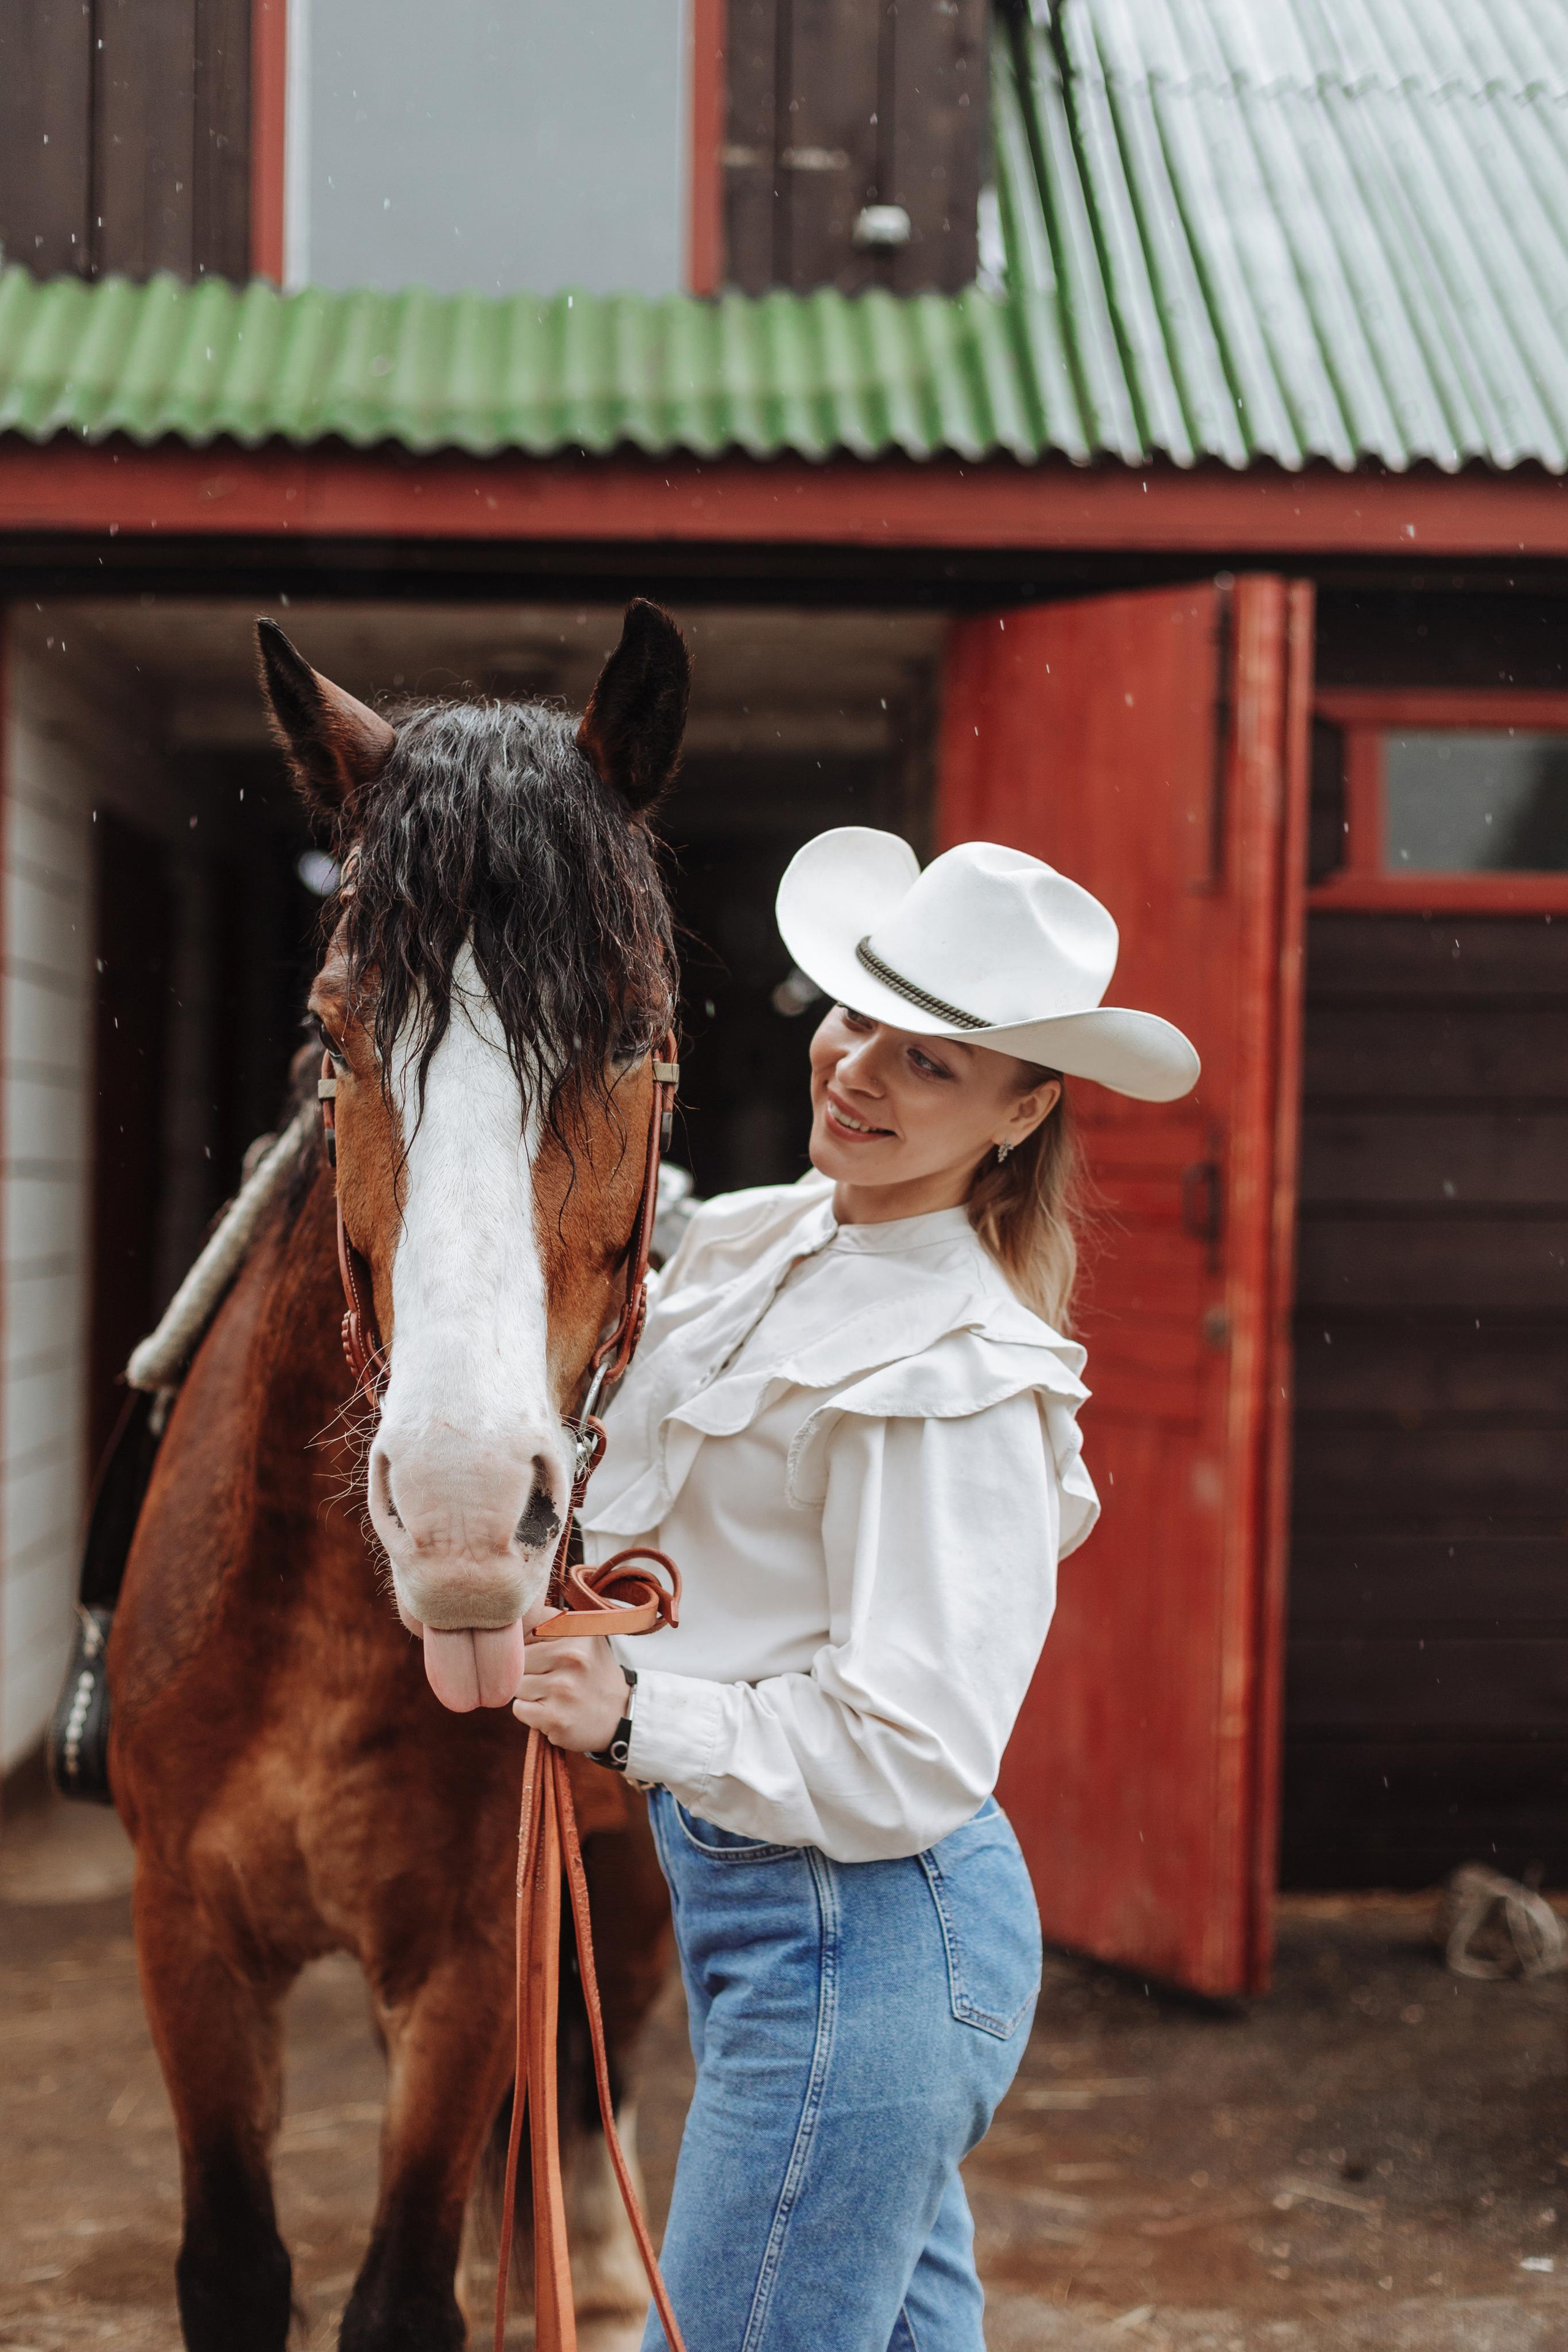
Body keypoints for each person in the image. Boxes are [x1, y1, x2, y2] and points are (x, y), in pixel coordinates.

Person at [511, 827, 1200, 2352]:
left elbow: (911, 1752)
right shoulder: (754, 1237)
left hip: (862, 1932)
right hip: (767, 1914)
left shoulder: (954, 1376)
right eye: (857, 1016)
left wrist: (638, 1716)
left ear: (1022, 1113)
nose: (860, 1072)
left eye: (934, 1065)